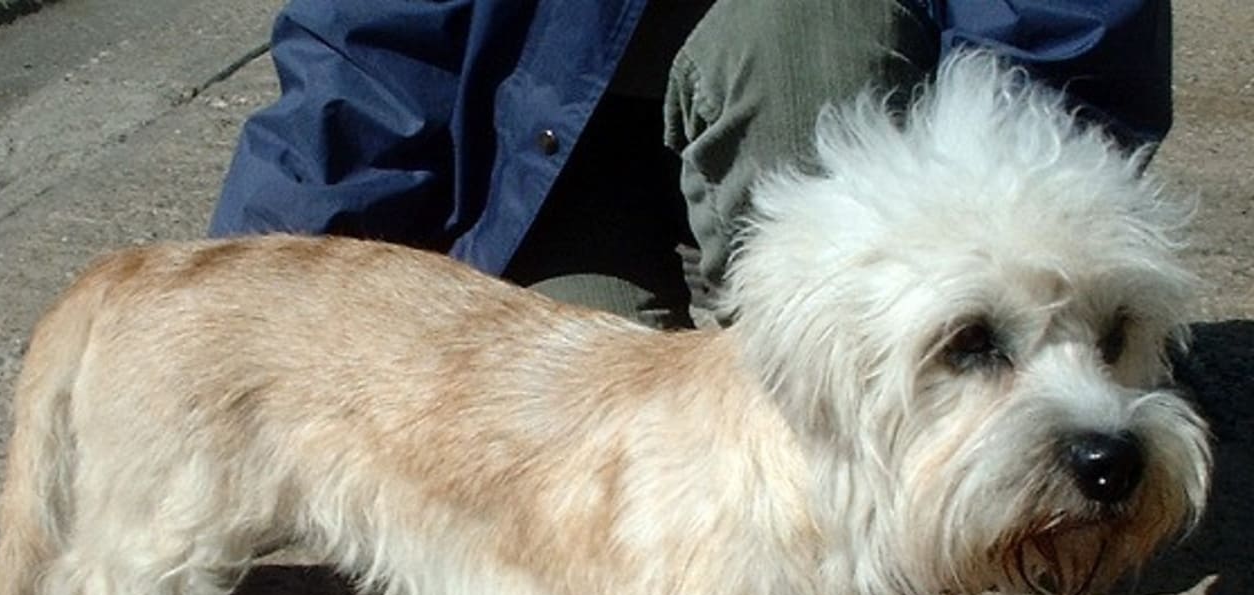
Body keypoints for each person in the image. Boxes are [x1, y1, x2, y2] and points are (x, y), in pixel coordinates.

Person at [209, 0, 1174, 328]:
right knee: (572, 481)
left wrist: (1034, 257)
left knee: (801, 30)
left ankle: (859, 433)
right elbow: (373, 45)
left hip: (846, 107)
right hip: (561, 145)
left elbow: (1059, 27)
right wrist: (242, 324)